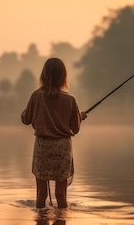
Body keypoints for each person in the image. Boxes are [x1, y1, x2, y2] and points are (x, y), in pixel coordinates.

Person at [21, 58, 87, 208]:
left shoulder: (36, 96)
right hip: (62, 148)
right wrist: (80, 117)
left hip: (42, 147)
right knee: (61, 195)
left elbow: (25, 119)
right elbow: (75, 128)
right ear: (63, 76)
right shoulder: (70, 100)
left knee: (41, 195)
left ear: (43, 75)